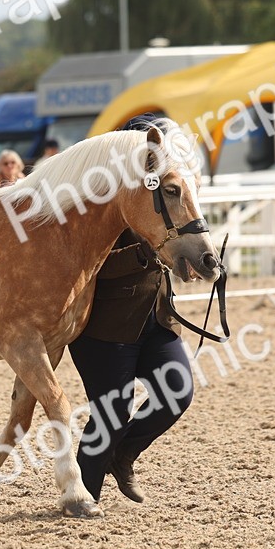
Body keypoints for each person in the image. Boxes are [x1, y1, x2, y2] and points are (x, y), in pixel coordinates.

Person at [66, 118, 195, 505]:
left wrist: (192, 257)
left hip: (155, 318)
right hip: (106, 327)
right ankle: (84, 494)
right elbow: (91, 264)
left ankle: (123, 456)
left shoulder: (161, 191)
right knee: (111, 413)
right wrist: (147, 252)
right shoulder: (101, 198)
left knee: (178, 391)